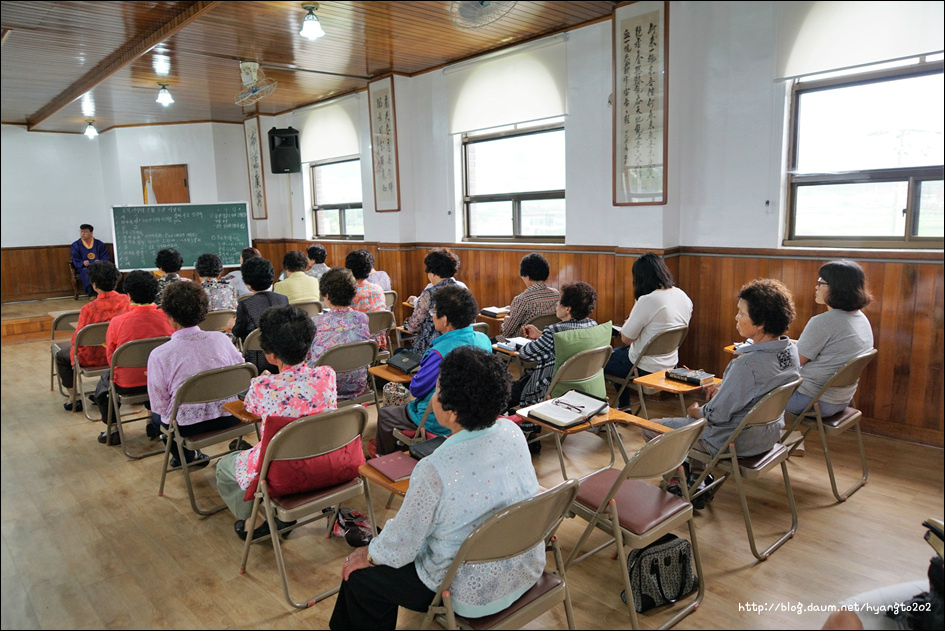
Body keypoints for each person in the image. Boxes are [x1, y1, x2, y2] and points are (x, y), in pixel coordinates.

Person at [330, 346, 543, 630]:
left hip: (467, 590)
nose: (433, 395)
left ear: (452, 413)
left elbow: (403, 545)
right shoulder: (512, 433)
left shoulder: (435, 468)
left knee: (359, 579)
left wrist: (369, 554)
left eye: (437, 389)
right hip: (524, 566)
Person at [645, 278, 800, 504]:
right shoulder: (790, 351)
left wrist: (695, 410)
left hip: (735, 441)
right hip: (768, 435)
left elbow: (715, 416)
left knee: (652, 427)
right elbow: (758, 390)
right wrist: (726, 386)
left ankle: (679, 483)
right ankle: (698, 478)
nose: (736, 317)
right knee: (697, 423)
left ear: (760, 323)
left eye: (741, 313)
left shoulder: (746, 365)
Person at [215, 305, 337, 541]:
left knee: (223, 467)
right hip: (325, 460)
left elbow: (250, 408)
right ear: (308, 346)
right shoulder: (327, 375)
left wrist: (265, 381)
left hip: (280, 472)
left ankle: (254, 522)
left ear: (270, 355)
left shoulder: (264, 387)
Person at [375, 286, 493, 456]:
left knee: (386, 415)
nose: (432, 315)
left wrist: (419, 374)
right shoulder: (483, 340)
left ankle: (384, 459)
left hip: (440, 418)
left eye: (434, 312)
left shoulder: (439, 352)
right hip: (473, 412)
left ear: (444, 320)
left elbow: (416, 390)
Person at [147, 281, 244, 468]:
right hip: (231, 415)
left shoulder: (160, 354)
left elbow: (159, 405)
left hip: (186, 426)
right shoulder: (222, 339)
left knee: (158, 419)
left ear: (171, 318)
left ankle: (188, 458)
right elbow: (241, 376)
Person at [92, 270, 174, 444]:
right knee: (152, 370)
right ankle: (151, 421)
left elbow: (111, 360)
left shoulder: (118, 322)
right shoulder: (169, 318)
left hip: (128, 385)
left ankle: (113, 429)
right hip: (164, 382)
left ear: (128, 295)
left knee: (104, 383)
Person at [786, 260, 874, 417]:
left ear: (838, 288)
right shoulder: (860, 318)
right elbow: (824, 350)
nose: (816, 287)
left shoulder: (823, 322)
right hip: (840, 400)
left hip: (810, 400)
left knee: (751, 389)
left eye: (821, 282)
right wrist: (784, 342)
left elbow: (794, 361)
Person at [605, 252, 693, 407]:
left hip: (643, 367)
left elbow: (626, 338)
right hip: (670, 363)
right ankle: (623, 407)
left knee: (601, 360)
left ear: (640, 278)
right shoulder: (682, 296)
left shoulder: (648, 300)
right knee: (618, 355)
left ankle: (615, 408)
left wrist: (634, 309)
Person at [509, 281, 600, 408]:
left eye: (559, 302)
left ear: (567, 309)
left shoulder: (554, 331)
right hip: (580, 389)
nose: (556, 304)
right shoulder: (593, 326)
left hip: (548, 390)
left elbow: (526, 353)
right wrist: (541, 335)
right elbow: (570, 339)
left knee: (509, 390)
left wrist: (538, 339)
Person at [56, 260, 131, 411]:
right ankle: (102, 391)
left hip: (92, 358)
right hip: (120, 354)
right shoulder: (126, 300)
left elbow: (77, 340)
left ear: (94, 285)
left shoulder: (89, 309)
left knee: (60, 356)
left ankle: (74, 399)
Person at [305, 267, 372, 399]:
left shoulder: (315, 323)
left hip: (323, 386)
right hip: (357, 383)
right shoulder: (362, 319)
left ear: (327, 296)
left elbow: (308, 356)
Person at [232, 257, 289, 374]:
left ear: (248, 285)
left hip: (257, 364)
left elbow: (238, 332)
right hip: (283, 358)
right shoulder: (283, 299)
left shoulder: (245, 305)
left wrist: (232, 325)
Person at [404, 248, 464, 356]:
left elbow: (413, 327)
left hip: (432, 349)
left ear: (432, 273)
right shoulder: (462, 290)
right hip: (457, 347)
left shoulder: (429, 293)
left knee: (398, 353)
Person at [500, 252, 560, 339]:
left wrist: (505, 320)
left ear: (527, 277)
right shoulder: (557, 294)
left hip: (524, 343)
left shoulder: (522, 299)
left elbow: (506, 332)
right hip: (548, 341)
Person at [345, 248, 388, 350]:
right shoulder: (378, 289)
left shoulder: (349, 292)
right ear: (369, 269)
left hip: (356, 343)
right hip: (377, 343)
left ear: (349, 270)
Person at [70, 224, 111, 297]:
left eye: (85, 232)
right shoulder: (76, 245)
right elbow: (75, 258)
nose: (83, 234)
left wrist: (100, 261)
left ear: (91, 233)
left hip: (98, 266)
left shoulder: (99, 244)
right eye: (81, 231)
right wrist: (82, 263)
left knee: (103, 271)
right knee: (85, 271)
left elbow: (105, 256)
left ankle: (104, 292)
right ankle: (92, 294)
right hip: (84, 267)